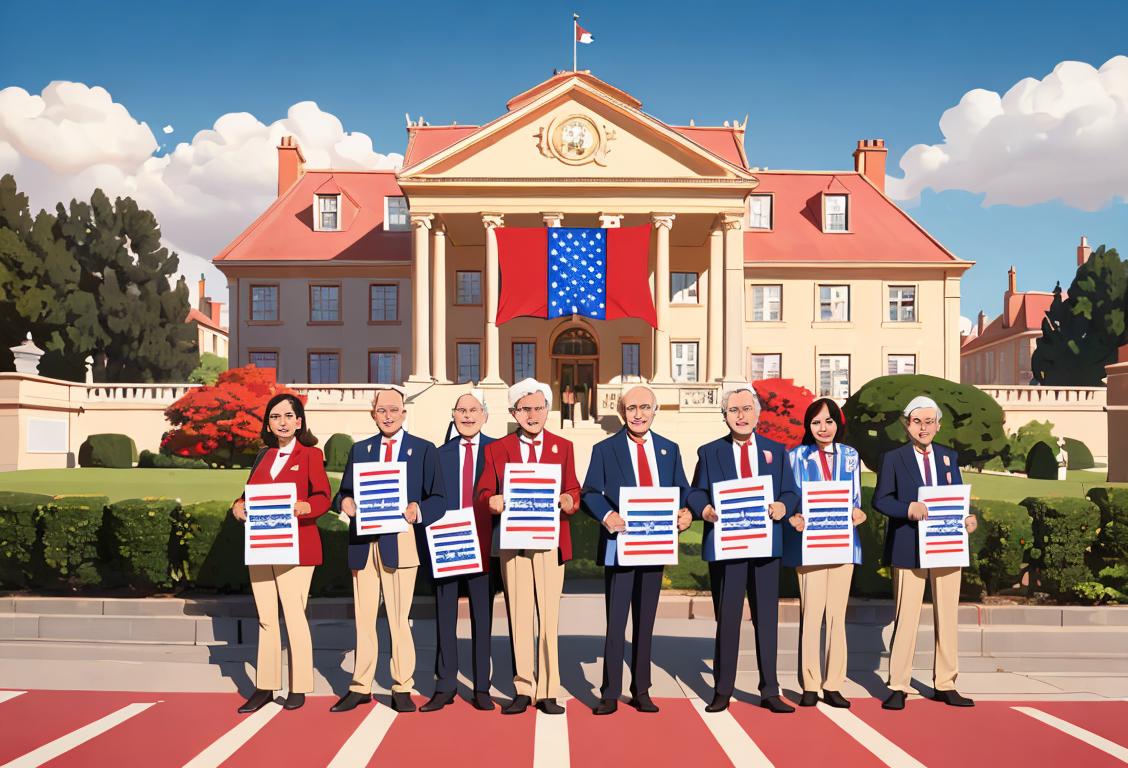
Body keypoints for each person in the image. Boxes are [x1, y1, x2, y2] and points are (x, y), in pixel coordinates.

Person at [330, 387, 446, 713]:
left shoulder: (423, 450)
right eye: (382, 410)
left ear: (404, 412)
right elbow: (343, 494)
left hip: (401, 542)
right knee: (364, 619)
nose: (388, 415)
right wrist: (346, 502)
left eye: (394, 409)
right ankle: (360, 686)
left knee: (398, 619)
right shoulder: (360, 449)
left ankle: (401, 686)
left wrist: (417, 511)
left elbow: (439, 499)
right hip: (363, 544)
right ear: (373, 414)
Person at [687, 384, 800, 714]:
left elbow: (791, 491)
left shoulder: (775, 451)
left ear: (758, 414)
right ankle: (723, 689)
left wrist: (783, 505)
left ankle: (770, 690)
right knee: (728, 619)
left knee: (767, 619)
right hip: (727, 547)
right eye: (734, 410)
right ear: (724, 416)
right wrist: (705, 509)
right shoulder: (710, 452)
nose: (741, 416)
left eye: (746, 409)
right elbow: (696, 492)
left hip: (765, 546)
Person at [582, 385, 693, 715]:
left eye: (645, 407)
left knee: (645, 622)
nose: (638, 414)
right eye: (631, 408)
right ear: (621, 413)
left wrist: (686, 512)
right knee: (616, 621)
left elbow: (683, 490)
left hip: (655, 546)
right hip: (621, 545)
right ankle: (610, 691)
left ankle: (641, 688)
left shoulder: (669, 450)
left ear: (655, 410)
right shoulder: (605, 449)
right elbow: (589, 492)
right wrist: (607, 514)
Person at [475, 378, 581, 715]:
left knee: (549, 617)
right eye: (525, 408)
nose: (532, 414)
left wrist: (569, 499)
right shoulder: (497, 449)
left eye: (538, 408)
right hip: (514, 543)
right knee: (519, 615)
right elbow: (482, 493)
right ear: (513, 412)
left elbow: (575, 489)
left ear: (548, 410)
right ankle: (523, 687)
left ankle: (548, 689)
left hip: (550, 542)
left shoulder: (562, 447)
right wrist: (492, 501)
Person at [873, 395, 977, 710]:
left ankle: (945, 683)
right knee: (906, 618)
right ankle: (898, 685)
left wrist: (968, 517)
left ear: (938, 425)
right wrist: (908, 508)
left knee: (947, 617)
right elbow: (880, 500)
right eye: (917, 421)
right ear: (907, 424)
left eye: (929, 421)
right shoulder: (893, 458)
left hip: (947, 547)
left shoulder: (948, 457)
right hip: (908, 546)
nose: (923, 427)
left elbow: (956, 499)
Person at [230, 393, 331, 713]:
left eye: (288, 416)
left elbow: (323, 497)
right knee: (266, 618)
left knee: (294, 615)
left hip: (297, 546)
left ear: (299, 422)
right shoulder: (263, 456)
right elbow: (250, 493)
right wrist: (238, 505)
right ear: (269, 424)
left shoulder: (312, 455)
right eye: (275, 417)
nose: (282, 422)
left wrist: (306, 506)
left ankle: (299, 685)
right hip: (262, 546)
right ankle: (265, 685)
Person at [784, 398, 866, 709]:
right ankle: (809, 683)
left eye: (829, 421)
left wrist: (859, 513)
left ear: (838, 424)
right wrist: (794, 515)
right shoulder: (795, 457)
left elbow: (855, 496)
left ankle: (833, 684)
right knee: (812, 614)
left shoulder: (850, 456)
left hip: (844, 544)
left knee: (836, 617)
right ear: (808, 426)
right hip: (810, 545)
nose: (823, 428)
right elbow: (790, 497)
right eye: (816, 422)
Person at [421, 389, 497, 712]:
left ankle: (482, 686)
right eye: (461, 410)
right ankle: (445, 684)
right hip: (448, 546)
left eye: (473, 410)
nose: (467, 416)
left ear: (484, 415)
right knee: (445, 616)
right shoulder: (438, 455)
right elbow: (429, 498)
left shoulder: (498, 450)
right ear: (453, 415)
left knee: (483, 617)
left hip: (484, 546)